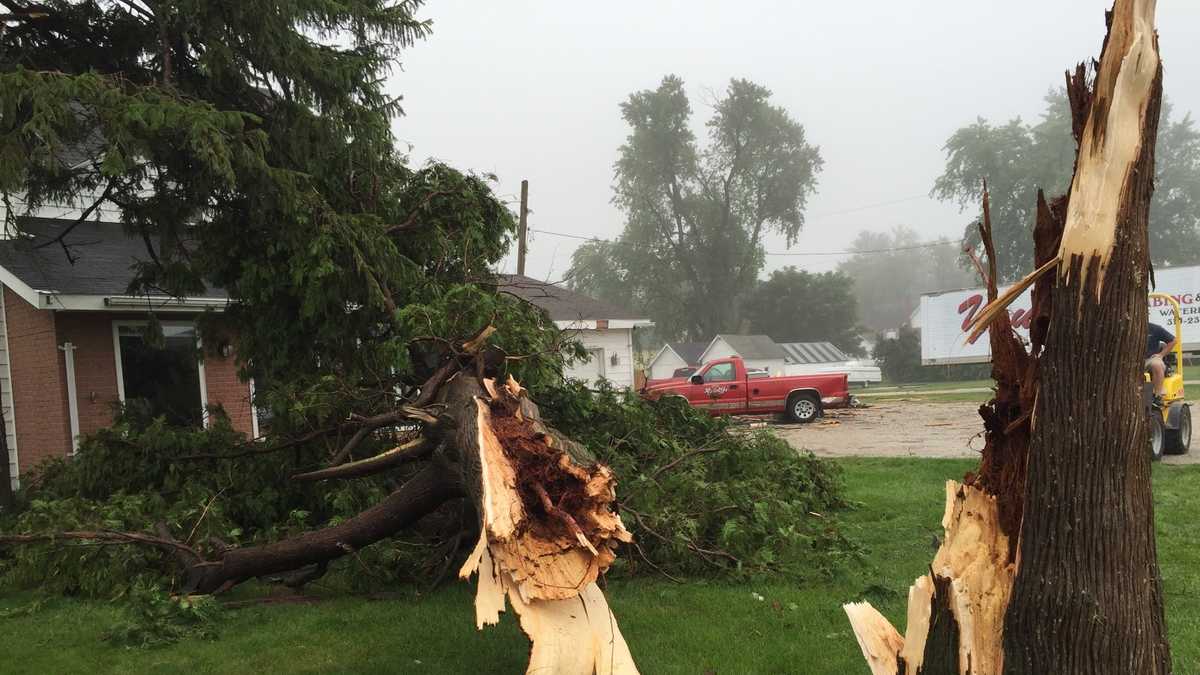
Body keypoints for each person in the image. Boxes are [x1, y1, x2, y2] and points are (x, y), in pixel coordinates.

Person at [1146, 321, 1177, 407]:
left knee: (1157, 364)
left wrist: (1161, 355)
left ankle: (1157, 396)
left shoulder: (1155, 328)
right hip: (1132, 360)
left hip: (1150, 359)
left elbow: (1173, 341)